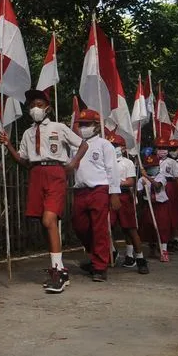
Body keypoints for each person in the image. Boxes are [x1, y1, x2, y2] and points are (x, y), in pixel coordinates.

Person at [0, 90, 87, 294]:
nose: (35, 109)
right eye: (31, 106)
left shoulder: (59, 127)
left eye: (39, 104)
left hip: (55, 171)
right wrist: (8, 145)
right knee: (44, 222)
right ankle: (56, 266)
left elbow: (82, 144)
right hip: (36, 173)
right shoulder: (28, 133)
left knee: (49, 219)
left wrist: (73, 163)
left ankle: (59, 270)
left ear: (48, 107)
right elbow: (23, 159)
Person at [68, 110, 120, 282]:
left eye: (87, 124)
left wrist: (114, 193)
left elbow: (112, 169)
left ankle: (99, 267)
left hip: (99, 188)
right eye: (81, 124)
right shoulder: (75, 145)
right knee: (80, 226)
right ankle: (99, 252)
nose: (83, 128)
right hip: (80, 190)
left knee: (99, 228)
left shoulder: (105, 145)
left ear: (97, 126)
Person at [106, 130, 148, 274]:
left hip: (124, 197)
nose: (113, 147)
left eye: (116, 145)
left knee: (130, 229)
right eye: (111, 144)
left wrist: (115, 182)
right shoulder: (105, 162)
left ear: (123, 148)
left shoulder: (127, 162)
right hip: (109, 195)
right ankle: (112, 251)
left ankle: (140, 259)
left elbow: (130, 181)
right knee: (106, 227)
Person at [136, 147, 172, 262]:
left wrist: (147, 177)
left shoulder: (161, 176)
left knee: (162, 227)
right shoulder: (142, 179)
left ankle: (164, 250)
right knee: (149, 226)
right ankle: (152, 248)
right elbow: (139, 192)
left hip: (160, 205)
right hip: (148, 205)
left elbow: (157, 186)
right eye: (149, 167)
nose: (151, 169)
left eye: (153, 167)